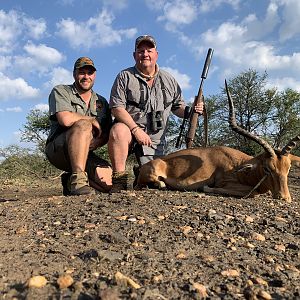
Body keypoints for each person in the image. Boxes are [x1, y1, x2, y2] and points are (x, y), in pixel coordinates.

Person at [108, 35, 203, 191]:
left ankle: (140, 173)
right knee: (118, 130)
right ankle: (119, 181)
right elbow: (117, 108)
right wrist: (135, 130)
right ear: (134, 55)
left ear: (156, 54)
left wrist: (193, 111)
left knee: (155, 183)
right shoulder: (124, 76)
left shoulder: (169, 79)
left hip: (154, 141)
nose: (145, 54)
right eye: (141, 51)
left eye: (149, 50)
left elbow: (178, 107)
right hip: (130, 133)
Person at [45, 57, 112, 196]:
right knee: (83, 125)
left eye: (90, 73)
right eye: (82, 72)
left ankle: (69, 181)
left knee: (109, 183)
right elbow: (65, 119)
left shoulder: (101, 101)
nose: (86, 76)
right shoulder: (61, 91)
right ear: (74, 74)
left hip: (86, 152)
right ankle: (78, 181)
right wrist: (90, 120)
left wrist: (98, 141)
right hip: (59, 150)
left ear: (94, 75)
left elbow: (106, 133)